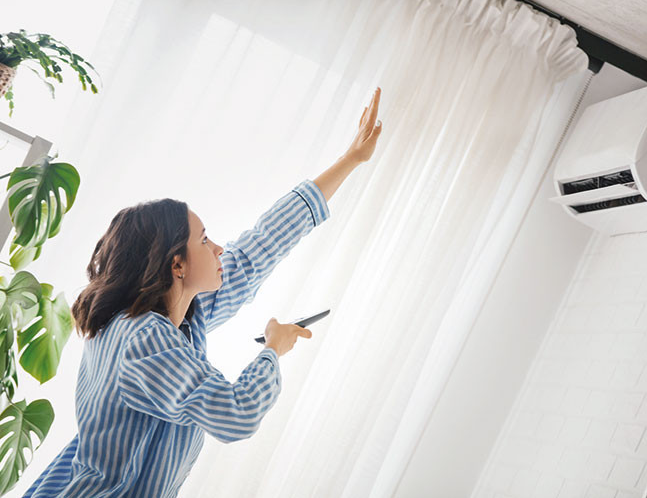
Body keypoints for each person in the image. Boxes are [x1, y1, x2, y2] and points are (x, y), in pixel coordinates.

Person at [22, 87, 382, 497]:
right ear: (177, 264)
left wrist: (351, 159)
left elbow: (259, 247)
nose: (219, 249)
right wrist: (273, 350)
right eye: (205, 239)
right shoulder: (144, 338)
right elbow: (236, 413)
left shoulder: (177, 317)